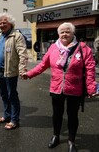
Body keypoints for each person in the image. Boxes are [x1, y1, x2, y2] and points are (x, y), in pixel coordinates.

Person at [22, 22, 97, 152]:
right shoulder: (53, 48)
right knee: (57, 114)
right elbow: (42, 65)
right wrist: (29, 74)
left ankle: (71, 141)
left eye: (67, 31)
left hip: (75, 88)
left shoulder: (83, 48)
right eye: (62, 32)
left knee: (72, 115)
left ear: (73, 33)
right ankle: (56, 136)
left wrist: (91, 88)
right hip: (56, 87)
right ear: (58, 34)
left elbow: (90, 69)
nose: (64, 34)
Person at [0, 13, 28, 129]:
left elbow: (23, 53)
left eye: (4, 23)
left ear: (10, 24)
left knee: (12, 96)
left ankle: (14, 120)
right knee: (3, 95)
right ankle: (7, 116)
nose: (2, 25)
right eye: (0, 23)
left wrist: (22, 69)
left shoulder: (16, 36)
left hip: (10, 72)